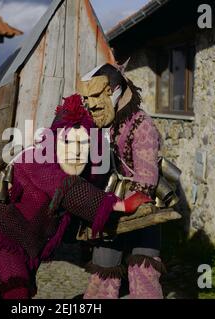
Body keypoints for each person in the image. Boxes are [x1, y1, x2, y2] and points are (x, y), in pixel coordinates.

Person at [0, 94, 151, 299]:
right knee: (18, 290)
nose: (76, 151)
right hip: (6, 234)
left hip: (31, 239)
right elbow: (68, 189)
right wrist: (122, 205)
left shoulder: (83, 168)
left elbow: (92, 186)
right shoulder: (39, 160)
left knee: (25, 287)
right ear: (53, 142)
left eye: (84, 143)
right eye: (67, 141)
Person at [80, 63, 164, 299]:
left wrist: (122, 207)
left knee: (144, 269)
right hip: (112, 204)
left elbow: (146, 180)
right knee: (104, 271)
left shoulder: (142, 124)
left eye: (100, 94)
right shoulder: (103, 121)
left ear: (115, 90)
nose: (94, 102)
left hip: (142, 208)